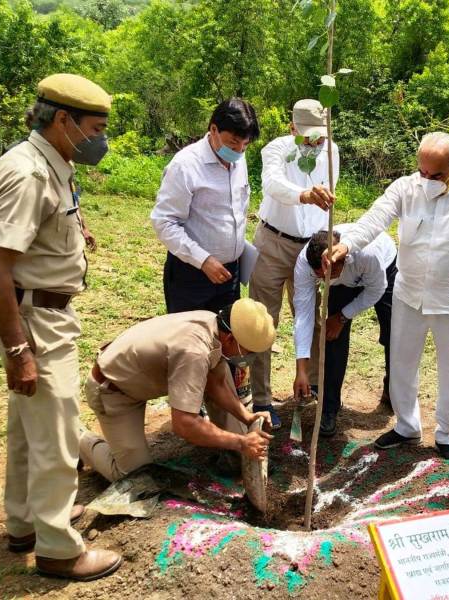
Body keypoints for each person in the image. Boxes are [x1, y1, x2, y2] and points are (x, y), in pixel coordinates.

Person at [0, 73, 122, 581]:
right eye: (96, 128)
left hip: (41, 310)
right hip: (35, 318)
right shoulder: (29, 175)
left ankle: (25, 523)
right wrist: (20, 350)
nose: (100, 139)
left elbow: (41, 232)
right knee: (58, 433)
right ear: (64, 120)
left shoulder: (50, 164)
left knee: (28, 427)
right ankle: (59, 548)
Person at [327, 132, 449, 460]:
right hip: (409, 294)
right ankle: (407, 425)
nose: (426, 180)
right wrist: (347, 243)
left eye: (435, 175)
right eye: (422, 172)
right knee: (402, 361)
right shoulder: (406, 188)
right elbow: (374, 219)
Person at [79, 299, 276, 482]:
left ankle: (233, 448)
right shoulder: (194, 352)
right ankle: (74, 436)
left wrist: (247, 417)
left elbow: (216, 384)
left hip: (140, 378)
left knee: (224, 398)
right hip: (115, 391)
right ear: (231, 339)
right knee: (135, 478)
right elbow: (184, 424)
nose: (248, 357)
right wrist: (241, 443)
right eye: (248, 351)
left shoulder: (214, 326)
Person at [248, 99, 339, 428]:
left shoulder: (332, 152)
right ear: (292, 130)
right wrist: (304, 194)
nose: (315, 143)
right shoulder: (275, 149)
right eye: (308, 137)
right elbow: (272, 183)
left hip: (309, 248)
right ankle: (262, 398)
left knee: (311, 318)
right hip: (273, 243)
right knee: (262, 323)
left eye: (321, 137)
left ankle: (311, 386)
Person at [151, 97, 260, 315]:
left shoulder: (239, 158)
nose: (239, 151)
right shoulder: (185, 165)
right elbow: (164, 222)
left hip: (230, 273)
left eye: (245, 145)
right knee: (189, 341)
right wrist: (204, 260)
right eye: (233, 143)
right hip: (192, 274)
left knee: (224, 338)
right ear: (213, 129)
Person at [292, 226, 397, 436]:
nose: (324, 280)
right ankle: (329, 407)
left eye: (329, 274)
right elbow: (303, 315)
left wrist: (343, 316)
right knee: (332, 337)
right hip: (345, 283)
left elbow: (376, 289)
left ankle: (393, 390)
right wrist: (301, 369)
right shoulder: (305, 263)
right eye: (319, 276)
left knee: (393, 334)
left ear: (342, 259)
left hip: (383, 269)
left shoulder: (368, 253)